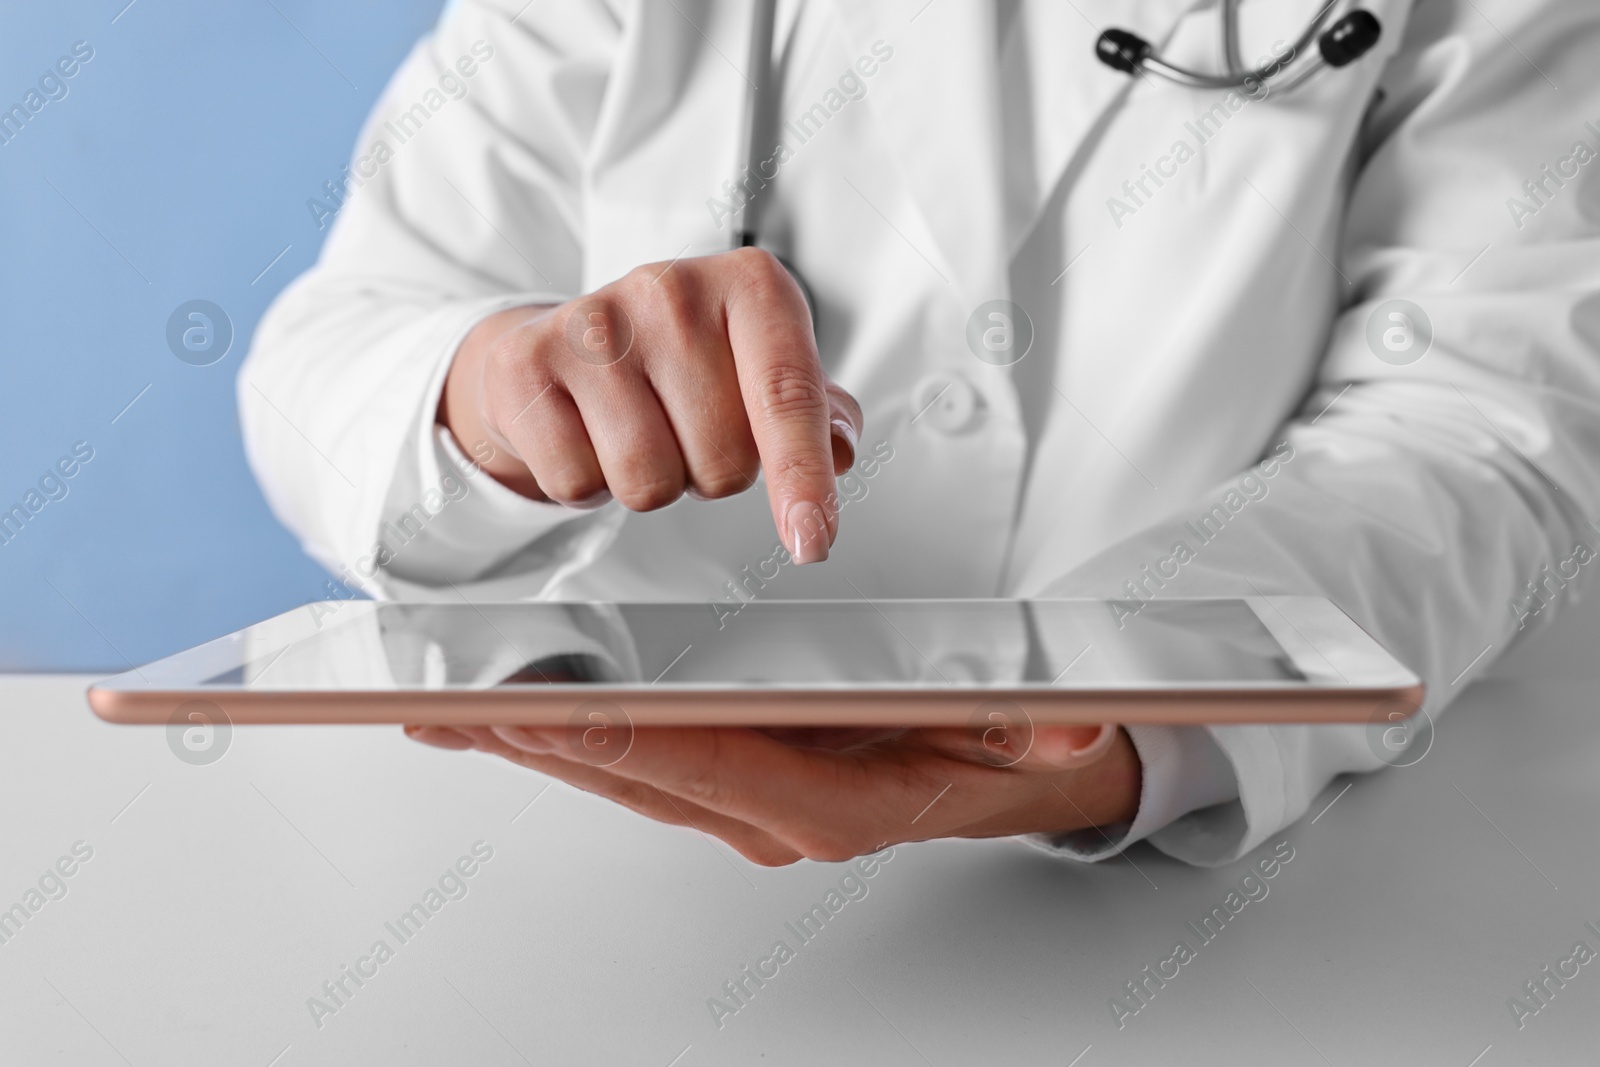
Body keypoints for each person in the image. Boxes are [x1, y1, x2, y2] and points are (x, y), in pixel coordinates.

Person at [240, 0, 1600, 867]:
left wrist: (1143, 704)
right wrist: (487, 393)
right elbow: (329, 353)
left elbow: (1484, 428)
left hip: (1236, 870)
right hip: (594, 852)